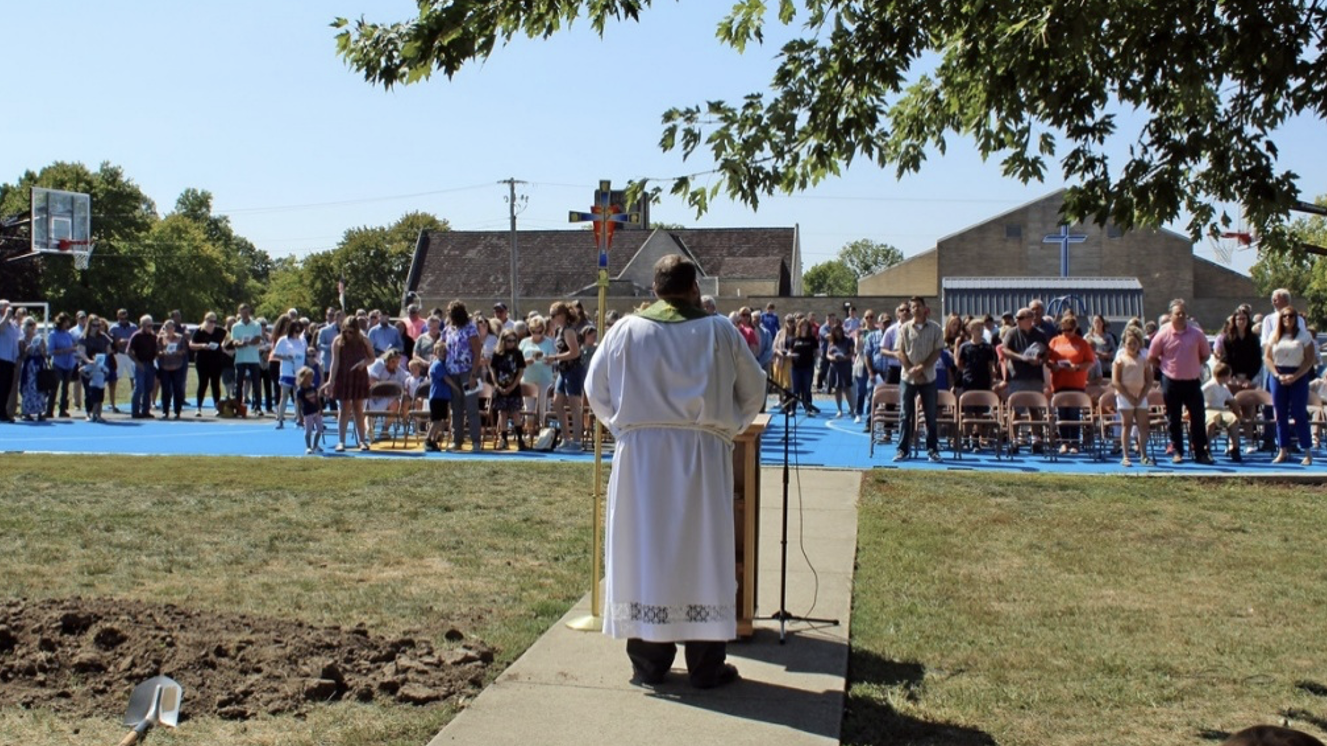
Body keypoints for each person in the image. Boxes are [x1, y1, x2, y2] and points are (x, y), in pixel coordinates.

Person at [585, 254, 765, 689]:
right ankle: (705, 665)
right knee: (703, 551)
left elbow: (596, 388)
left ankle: (648, 664)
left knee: (644, 549)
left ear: (654, 290)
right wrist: (727, 429)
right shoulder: (719, 330)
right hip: (701, 455)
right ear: (693, 289)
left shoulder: (625, 331)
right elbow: (753, 389)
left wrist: (626, 427)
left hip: (642, 460)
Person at [1147, 299, 1215, 465]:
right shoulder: (1162, 335)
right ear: (1171, 316)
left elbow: (1206, 354)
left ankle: (1201, 452)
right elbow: (1152, 357)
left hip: (1192, 381)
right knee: (1174, 418)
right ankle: (1178, 451)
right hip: (1171, 381)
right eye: (1178, 313)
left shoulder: (1197, 334)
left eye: (1184, 313)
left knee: (1198, 417)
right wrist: (1164, 367)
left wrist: (1193, 363)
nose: (1181, 316)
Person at [896, 296, 946, 462]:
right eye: (912, 306)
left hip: (928, 377)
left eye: (918, 306)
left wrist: (922, 367)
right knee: (905, 414)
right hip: (908, 378)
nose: (915, 309)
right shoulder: (904, 328)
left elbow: (937, 351)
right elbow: (900, 351)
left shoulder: (936, 328)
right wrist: (911, 369)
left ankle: (932, 450)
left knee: (930, 415)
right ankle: (903, 450)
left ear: (925, 308)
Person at [1264, 305, 1316, 465]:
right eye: (1285, 316)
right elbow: (1267, 358)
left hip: (1298, 375)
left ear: (1296, 318)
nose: (1288, 319)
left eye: (1291, 316)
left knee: (1299, 413)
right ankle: (1282, 450)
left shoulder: (1304, 336)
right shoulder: (1275, 335)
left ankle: (1307, 452)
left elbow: (1309, 360)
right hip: (1278, 375)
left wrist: (1296, 376)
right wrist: (1277, 375)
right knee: (1279, 414)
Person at [1046, 312, 1096, 454]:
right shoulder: (1055, 341)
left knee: (1074, 414)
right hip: (1059, 383)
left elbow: (1089, 362)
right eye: (1064, 329)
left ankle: (1075, 443)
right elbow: (1047, 359)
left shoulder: (1082, 343)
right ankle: (1064, 442)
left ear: (1075, 329)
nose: (1066, 333)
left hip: (1076, 383)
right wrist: (1052, 365)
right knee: (1062, 414)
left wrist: (1077, 367)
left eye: (1069, 330)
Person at [323, 317, 374, 452]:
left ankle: (362, 441)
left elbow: (372, 358)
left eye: (351, 332)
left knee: (358, 409)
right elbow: (335, 362)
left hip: (359, 376)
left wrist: (364, 363)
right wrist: (331, 381)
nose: (348, 335)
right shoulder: (338, 342)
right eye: (345, 331)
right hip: (343, 377)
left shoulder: (364, 340)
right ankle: (341, 441)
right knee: (344, 409)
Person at [443, 300, 484, 452]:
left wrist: (474, 374)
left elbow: (477, 352)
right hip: (453, 372)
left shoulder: (471, 329)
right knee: (456, 408)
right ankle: (457, 440)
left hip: (468, 372)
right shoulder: (448, 330)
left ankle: (476, 442)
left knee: (471, 407)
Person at [1112, 326, 1153, 466]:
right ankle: (1125, 456)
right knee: (1127, 424)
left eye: (1135, 343)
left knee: (1143, 425)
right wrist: (1129, 397)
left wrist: (1141, 396)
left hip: (1140, 396)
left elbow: (1149, 381)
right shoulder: (1120, 360)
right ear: (1124, 344)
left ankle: (1144, 455)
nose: (1132, 346)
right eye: (1129, 343)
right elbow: (1115, 381)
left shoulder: (1143, 360)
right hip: (1125, 396)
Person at [546, 301, 585, 452]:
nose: (551, 318)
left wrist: (555, 357)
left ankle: (576, 442)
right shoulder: (559, 330)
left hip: (573, 369)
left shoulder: (568, 330)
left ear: (562, 315)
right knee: (557, 402)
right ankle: (566, 438)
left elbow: (575, 352)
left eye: (553, 315)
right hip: (564, 370)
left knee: (574, 405)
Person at [488, 329, 527, 450]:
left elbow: (520, 371)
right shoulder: (497, 354)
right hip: (500, 388)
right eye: (509, 340)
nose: (511, 343)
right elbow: (493, 371)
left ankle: (520, 439)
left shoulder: (518, 354)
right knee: (502, 413)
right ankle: (503, 439)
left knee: (515, 412)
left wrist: (513, 386)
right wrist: (497, 385)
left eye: (514, 341)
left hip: (513, 387)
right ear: (503, 341)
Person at [271, 317, 308, 429]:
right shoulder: (283, 340)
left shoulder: (302, 341)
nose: (297, 333)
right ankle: (280, 418)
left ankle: (298, 418)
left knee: (298, 397)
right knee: (284, 395)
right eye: (295, 331)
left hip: (299, 372)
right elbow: (275, 354)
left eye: (299, 331)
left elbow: (305, 354)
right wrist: (286, 357)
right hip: (287, 371)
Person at [1203, 362, 1244, 462]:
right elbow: (1196, 397)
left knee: (1232, 420)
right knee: (1212, 421)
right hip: (1209, 409)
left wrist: (1238, 413)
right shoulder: (1209, 385)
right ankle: (1207, 449)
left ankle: (1235, 448)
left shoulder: (1224, 387)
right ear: (1225, 376)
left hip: (1221, 411)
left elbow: (1232, 401)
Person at [189, 312, 227, 417]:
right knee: (203, 383)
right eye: (211, 321)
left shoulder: (220, 331)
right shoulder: (199, 331)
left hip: (216, 361)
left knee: (215, 384)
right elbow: (191, 345)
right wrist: (202, 345)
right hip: (203, 361)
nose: (213, 324)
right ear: (205, 320)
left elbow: (228, 337)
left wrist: (223, 345)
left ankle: (217, 407)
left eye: (215, 321)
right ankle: (198, 407)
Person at [230, 304, 265, 416]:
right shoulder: (235, 326)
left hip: (253, 358)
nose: (245, 314)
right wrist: (240, 344)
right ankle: (238, 407)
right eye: (242, 312)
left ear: (249, 312)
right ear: (239, 312)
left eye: (246, 311)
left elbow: (258, 339)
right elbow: (234, 341)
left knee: (256, 384)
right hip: (240, 359)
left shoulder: (256, 325)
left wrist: (248, 342)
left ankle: (257, 407)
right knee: (238, 384)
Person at [46, 312, 79, 418]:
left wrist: (74, 349)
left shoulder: (68, 334)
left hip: (69, 364)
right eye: (67, 321)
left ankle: (62, 410)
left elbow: (73, 345)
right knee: (54, 388)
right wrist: (66, 350)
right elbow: (51, 351)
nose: (68, 323)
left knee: (65, 388)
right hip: (58, 364)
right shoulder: (53, 334)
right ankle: (49, 410)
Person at [155, 319, 189, 419]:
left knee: (177, 389)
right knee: (165, 390)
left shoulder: (180, 338)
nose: (169, 329)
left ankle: (177, 411)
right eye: (167, 327)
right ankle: (165, 411)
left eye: (171, 327)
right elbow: (157, 351)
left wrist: (178, 352)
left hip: (177, 366)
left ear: (174, 328)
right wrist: (163, 353)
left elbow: (185, 351)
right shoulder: (160, 338)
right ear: (164, 328)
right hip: (165, 366)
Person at [127, 315, 158, 419]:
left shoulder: (154, 337)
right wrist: (137, 363)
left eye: (151, 325)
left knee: (149, 388)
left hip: (150, 364)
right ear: (142, 325)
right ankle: (135, 412)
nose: (150, 327)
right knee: (139, 388)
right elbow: (129, 351)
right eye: (148, 325)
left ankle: (146, 411)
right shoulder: (136, 336)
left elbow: (157, 350)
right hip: (140, 364)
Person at [17, 317, 48, 421]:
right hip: (28, 367)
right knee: (28, 389)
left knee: (40, 389)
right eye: (30, 325)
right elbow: (22, 357)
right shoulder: (22, 340)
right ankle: (27, 412)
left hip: (38, 366)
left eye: (33, 324)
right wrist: (27, 351)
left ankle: (40, 412)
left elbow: (45, 354)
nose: (32, 327)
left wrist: (41, 350)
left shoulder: (40, 338)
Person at [787, 318, 820, 416]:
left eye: (805, 325)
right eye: (802, 325)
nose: (804, 327)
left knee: (807, 389)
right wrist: (790, 355)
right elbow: (789, 351)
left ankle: (808, 408)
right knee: (795, 389)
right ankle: (793, 409)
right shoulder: (794, 339)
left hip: (808, 367)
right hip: (796, 367)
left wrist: (817, 356)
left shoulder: (812, 339)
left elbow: (817, 352)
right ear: (799, 327)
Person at [424, 342, 452, 452]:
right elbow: (446, 379)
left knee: (441, 421)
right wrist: (456, 388)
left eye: (445, 351)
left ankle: (434, 440)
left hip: (444, 396)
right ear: (435, 353)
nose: (443, 354)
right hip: (437, 396)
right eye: (440, 352)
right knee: (436, 420)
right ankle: (427, 439)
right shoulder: (437, 365)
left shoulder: (446, 364)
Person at [824, 324, 854, 418]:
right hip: (834, 366)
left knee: (847, 388)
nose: (838, 332)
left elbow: (851, 353)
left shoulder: (848, 340)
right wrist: (832, 358)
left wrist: (844, 357)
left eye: (839, 330)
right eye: (835, 331)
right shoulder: (831, 341)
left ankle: (852, 409)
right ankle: (839, 410)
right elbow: (827, 354)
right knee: (837, 388)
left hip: (845, 366)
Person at [295, 366, 325, 454]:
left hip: (316, 411)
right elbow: (299, 404)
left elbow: (317, 399)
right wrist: (299, 416)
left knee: (320, 428)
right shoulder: (300, 391)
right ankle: (308, 446)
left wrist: (320, 408)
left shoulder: (313, 388)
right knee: (308, 430)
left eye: (312, 377)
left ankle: (315, 445)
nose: (311, 379)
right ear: (303, 378)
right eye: (309, 377)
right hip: (307, 412)